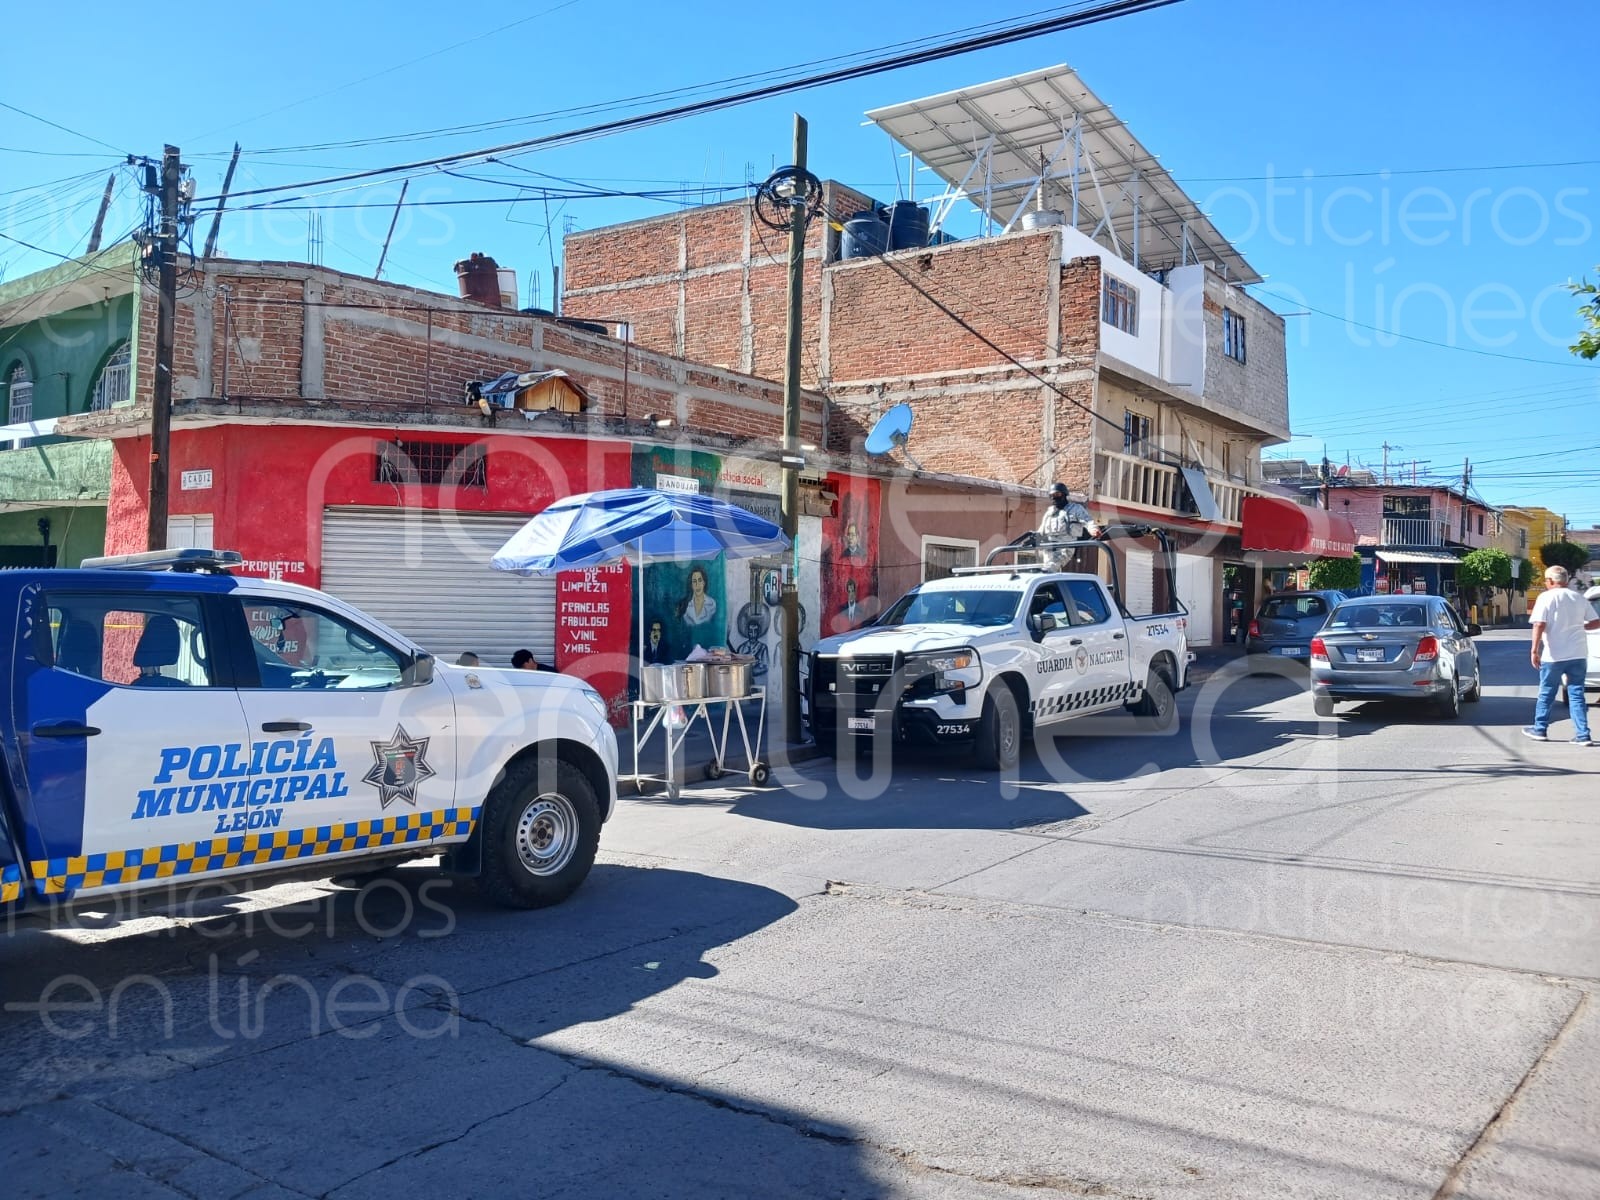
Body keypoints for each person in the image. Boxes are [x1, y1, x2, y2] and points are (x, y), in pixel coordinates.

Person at [1523, 564, 1600, 745]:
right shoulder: (1578, 598)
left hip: (1554, 655)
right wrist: (1582, 627)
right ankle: (1583, 735)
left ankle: (1540, 729)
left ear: (1550, 581)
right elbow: (1596, 622)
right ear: (1565, 580)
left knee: (1547, 693)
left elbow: (1539, 624)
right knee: (1576, 695)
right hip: (1578, 654)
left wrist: (1534, 650)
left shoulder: (1545, 598)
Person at [1037, 482, 1096, 570]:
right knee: (1039, 571)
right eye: (1052, 495)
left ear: (1064, 495)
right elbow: (1040, 532)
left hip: (1064, 548)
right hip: (1047, 549)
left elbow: (1088, 521)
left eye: (1057, 494)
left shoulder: (1075, 509)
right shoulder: (1049, 513)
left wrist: (1093, 529)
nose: (1054, 497)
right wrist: (1032, 539)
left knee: (1050, 569)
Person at [678, 564, 718, 629]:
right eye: (694, 581)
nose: (697, 584)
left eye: (700, 580)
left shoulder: (712, 604)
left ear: (704, 583)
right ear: (691, 585)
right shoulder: (685, 604)